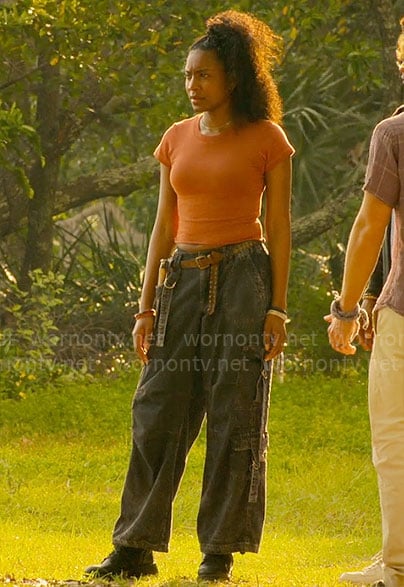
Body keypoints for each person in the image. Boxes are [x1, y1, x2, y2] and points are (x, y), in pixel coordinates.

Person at [84, 9, 294, 582]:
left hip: (245, 280)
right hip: (181, 278)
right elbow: (161, 225)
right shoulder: (175, 138)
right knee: (156, 412)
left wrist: (277, 306)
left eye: (203, 75)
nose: (192, 86)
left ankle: (218, 553)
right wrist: (145, 304)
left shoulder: (268, 138)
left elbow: (278, 229)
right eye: (187, 76)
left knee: (235, 413)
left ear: (233, 78)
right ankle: (134, 548)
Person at [326, 17, 404, 587]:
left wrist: (348, 309)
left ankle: (398, 566)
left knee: (396, 440)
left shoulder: (394, 135)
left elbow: (370, 226)